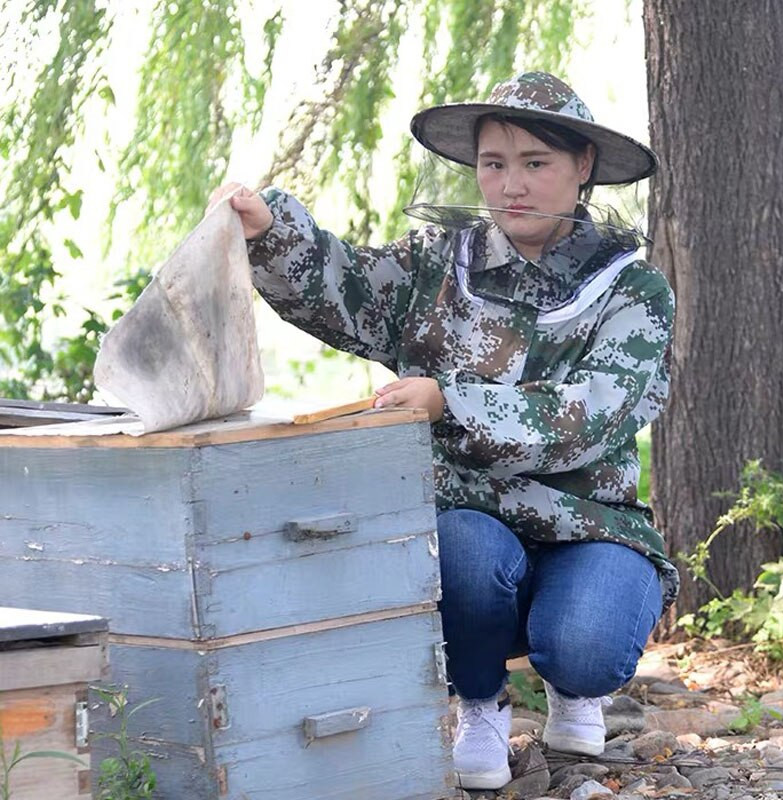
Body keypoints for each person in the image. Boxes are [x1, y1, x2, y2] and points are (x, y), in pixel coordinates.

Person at [208, 71, 678, 792]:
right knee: (458, 547)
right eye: (494, 164)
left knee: (583, 644)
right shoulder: (436, 262)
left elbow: (590, 414)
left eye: (536, 163)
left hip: (591, 523)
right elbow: (349, 291)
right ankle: (480, 700)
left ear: (583, 167)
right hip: (468, 514)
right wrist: (272, 233)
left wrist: (448, 403)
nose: (511, 185)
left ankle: (573, 686)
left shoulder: (632, 291)